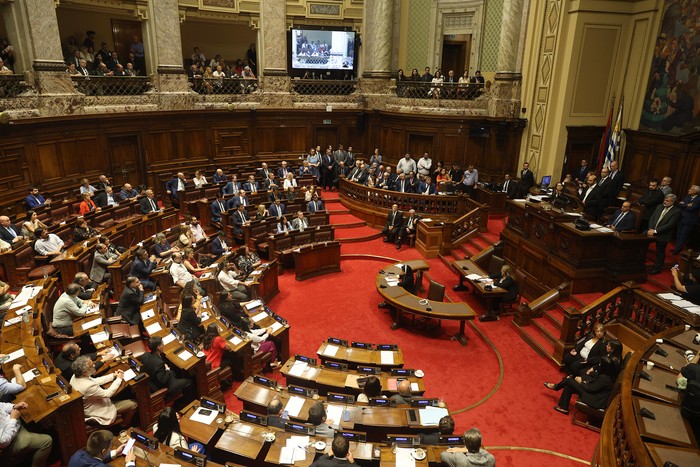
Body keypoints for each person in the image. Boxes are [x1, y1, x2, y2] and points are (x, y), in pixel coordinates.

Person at [70, 356, 137, 427]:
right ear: (84, 372)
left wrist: (113, 376)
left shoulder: (75, 376)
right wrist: (119, 379)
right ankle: (124, 425)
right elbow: (108, 394)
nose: (94, 365)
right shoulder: (87, 387)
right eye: (91, 366)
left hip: (91, 404)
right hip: (99, 410)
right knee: (133, 404)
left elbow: (95, 381)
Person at [551, 356, 620, 414]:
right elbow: (594, 384)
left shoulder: (605, 378)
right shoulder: (607, 375)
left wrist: (581, 382)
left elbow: (591, 389)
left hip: (594, 399)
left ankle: (556, 387)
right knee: (569, 386)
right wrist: (585, 382)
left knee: (569, 380)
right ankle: (563, 408)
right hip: (593, 394)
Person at [0, 400, 53, 467]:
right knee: (47, 441)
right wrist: (13, 419)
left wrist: (14, 406)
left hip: (13, 424)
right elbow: (3, 441)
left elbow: (1, 406)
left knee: (37, 412)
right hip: (10, 442)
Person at [647, 194, 681, 275]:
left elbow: (670, 225)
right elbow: (652, 218)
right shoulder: (659, 206)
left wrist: (655, 231)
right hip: (651, 231)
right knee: (639, 242)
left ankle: (657, 268)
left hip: (663, 234)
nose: (665, 202)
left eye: (667, 201)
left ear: (672, 202)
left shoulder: (677, 211)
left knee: (660, 252)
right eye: (665, 200)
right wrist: (650, 229)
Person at [68, 429, 136, 467]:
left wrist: (115, 452)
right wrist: (130, 462)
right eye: (110, 447)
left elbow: (92, 459)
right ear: (103, 451)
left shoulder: (77, 454)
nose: (110, 448)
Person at [672, 185, 700, 254]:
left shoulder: (698, 200)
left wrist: (684, 205)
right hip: (681, 218)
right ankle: (677, 247)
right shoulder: (687, 197)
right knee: (678, 234)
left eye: (690, 189)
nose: (688, 190)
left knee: (683, 235)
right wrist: (687, 205)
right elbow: (679, 204)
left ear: (695, 191)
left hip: (689, 220)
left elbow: (692, 209)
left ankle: (677, 250)